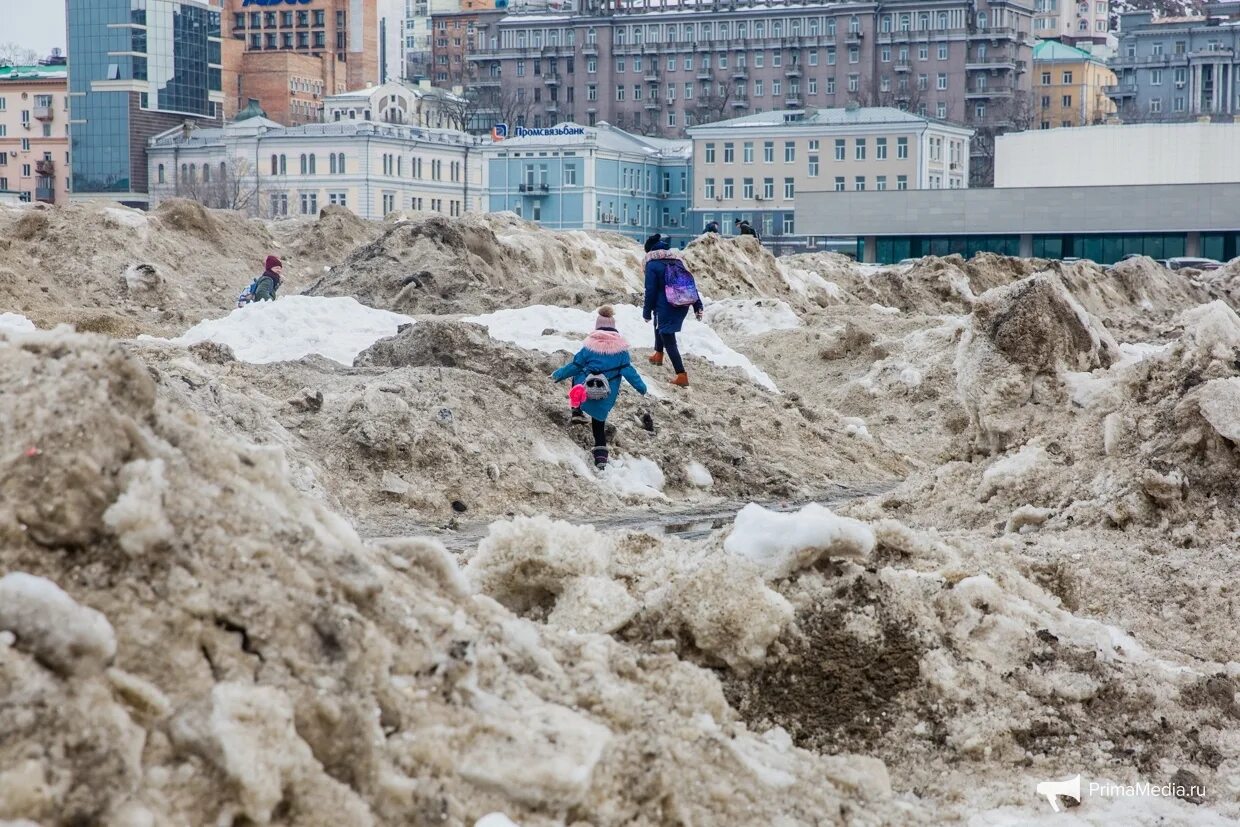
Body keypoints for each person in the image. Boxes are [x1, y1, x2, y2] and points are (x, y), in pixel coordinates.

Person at [551, 306, 648, 469]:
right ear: (614, 327)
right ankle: (601, 459)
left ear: (597, 327)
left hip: (586, 393)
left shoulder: (589, 348)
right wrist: (641, 388)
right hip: (605, 395)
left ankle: (577, 410)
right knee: (599, 425)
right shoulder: (621, 352)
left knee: (578, 375)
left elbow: (574, 366)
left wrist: (558, 375)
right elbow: (630, 373)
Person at [643, 233, 703, 387]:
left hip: (667, 305)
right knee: (659, 324)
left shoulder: (652, 264)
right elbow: (689, 284)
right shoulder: (676, 261)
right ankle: (658, 354)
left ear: (649, 251)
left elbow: (650, 290)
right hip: (680, 303)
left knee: (667, 336)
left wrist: (646, 311)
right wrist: (697, 305)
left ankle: (681, 375)